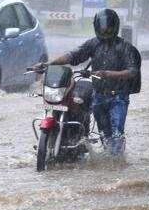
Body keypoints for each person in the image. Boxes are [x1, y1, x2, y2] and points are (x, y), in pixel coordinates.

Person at [34, 8, 140, 156]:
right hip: (99, 96)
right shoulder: (93, 44)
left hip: (118, 98)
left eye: (109, 29)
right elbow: (73, 56)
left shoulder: (125, 48)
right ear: (96, 27)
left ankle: (116, 164)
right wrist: (49, 64)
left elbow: (132, 71)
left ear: (115, 27)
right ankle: (104, 158)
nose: (106, 32)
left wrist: (108, 74)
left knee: (116, 134)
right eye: (103, 29)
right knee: (105, 134)